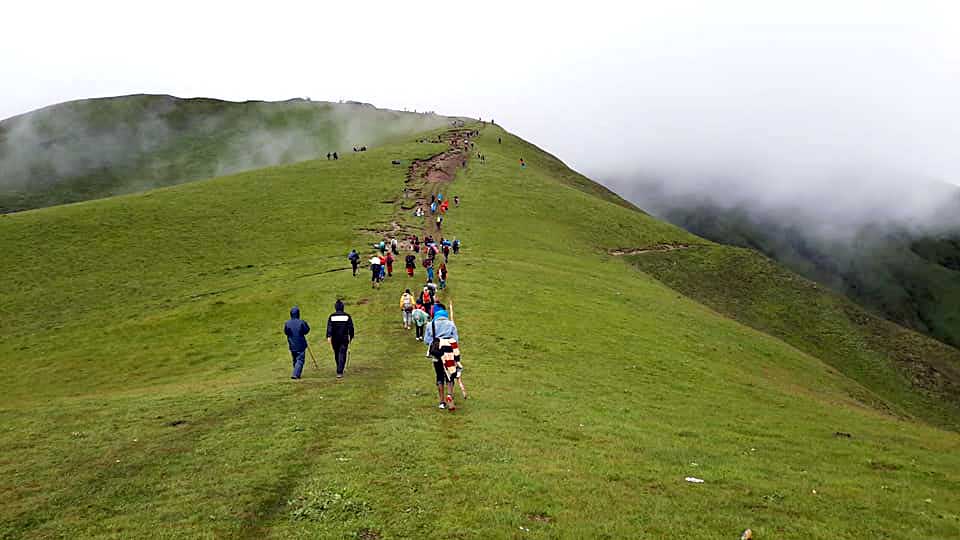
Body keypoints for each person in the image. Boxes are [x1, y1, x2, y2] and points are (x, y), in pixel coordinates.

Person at [424, 306, 461, 410]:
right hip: (449, 353)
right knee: (450, 375)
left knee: (439, 376)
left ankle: (441, 402)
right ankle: (449, 395)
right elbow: (456, 340)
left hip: (437, 354)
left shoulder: (430, 325)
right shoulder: (451, 324)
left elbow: (427, 341)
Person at [326, 300, 355, 379]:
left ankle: (339, 367)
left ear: (335, 307)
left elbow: (329, 327)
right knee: (342, 353)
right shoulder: (347, 316)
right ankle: (340, 371)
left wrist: (328, 336)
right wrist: (351, 336)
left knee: (336, 353)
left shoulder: (332, 316)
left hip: (335, 339)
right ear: (343, 307)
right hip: (344, 338)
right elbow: (351, 328)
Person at [283, 306, 311, 379]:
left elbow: (286, 332)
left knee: (295, 358)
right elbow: (307, 330)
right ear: (298, 314)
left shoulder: (287, 323)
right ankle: (295, 374)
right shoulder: (302, 322)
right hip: (301, 344)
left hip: (292, 344)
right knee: (300, 359)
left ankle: (295, 372)